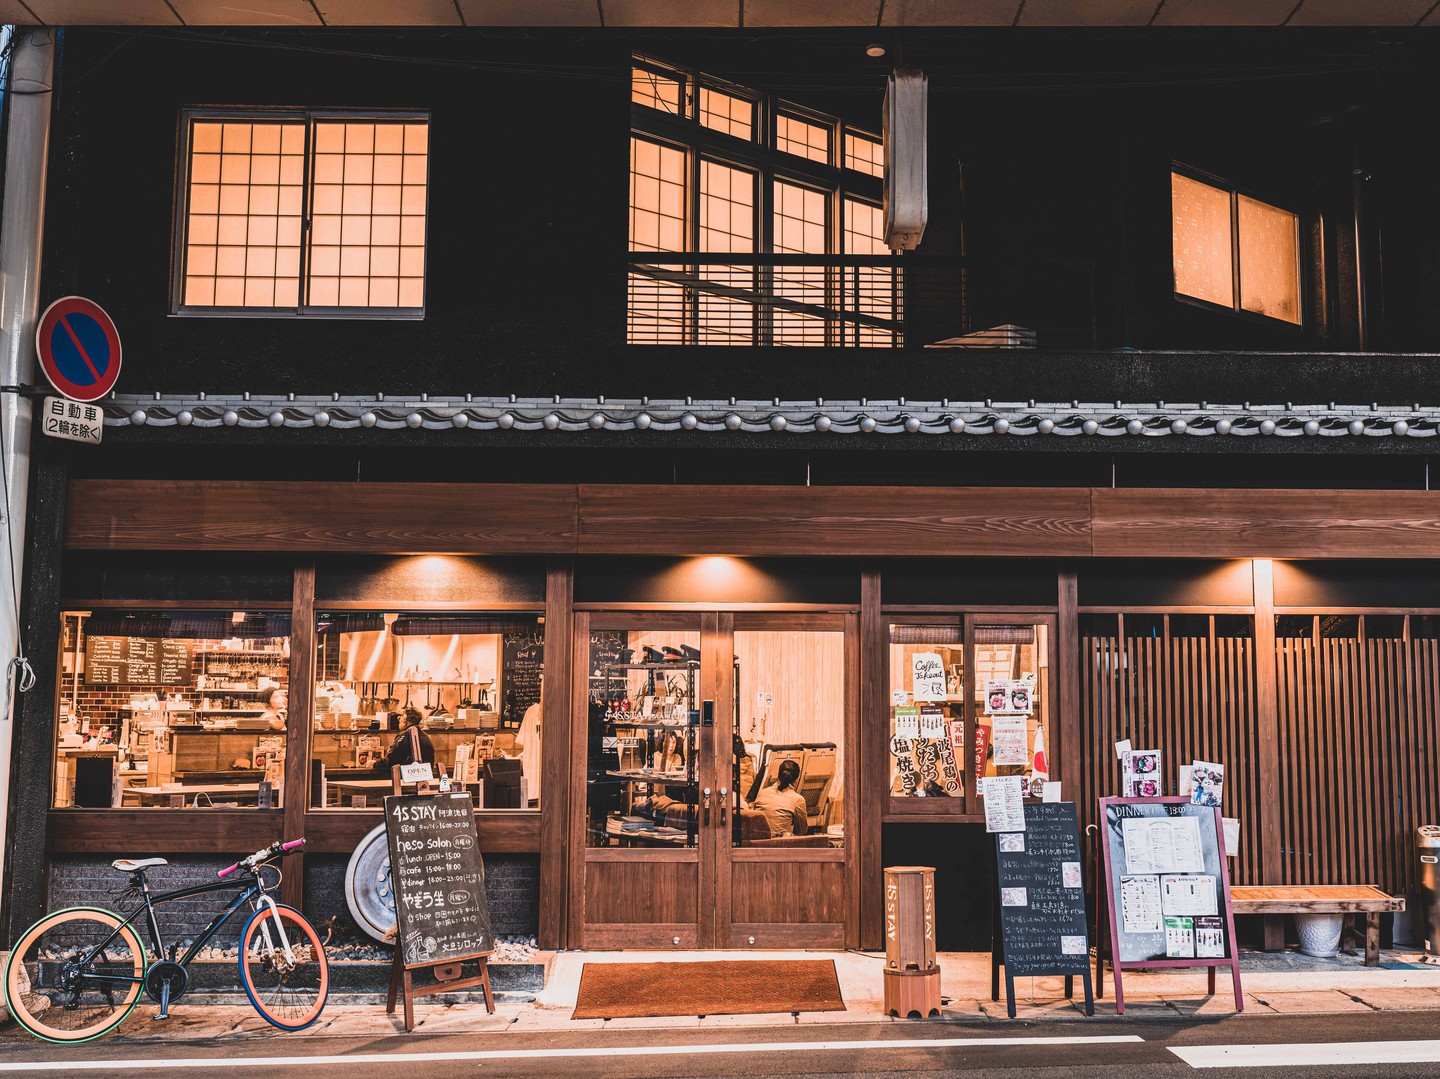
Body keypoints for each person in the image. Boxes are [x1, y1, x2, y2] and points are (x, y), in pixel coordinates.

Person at [752, 758, 807, 837]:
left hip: (758, 843)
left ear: (778, 776)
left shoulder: (762, 793)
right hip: (780, 844)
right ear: (797, 780)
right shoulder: (798, 799)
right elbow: (802, 830)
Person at [376, 707, 435, 775]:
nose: (399, 721)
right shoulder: (426, 737)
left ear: (404, 720)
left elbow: (390, 761)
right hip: (424, 779)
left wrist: (375, 764)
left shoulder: (405, 735)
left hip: (406, 779)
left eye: (399, 718)